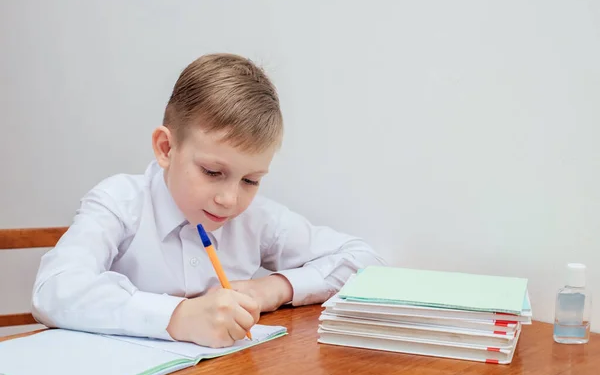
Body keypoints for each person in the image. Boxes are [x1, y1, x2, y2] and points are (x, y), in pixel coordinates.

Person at [32, 53, 385, 348]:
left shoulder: (255, 218)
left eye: (250, 180)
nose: (229, 199)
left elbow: (364, 261)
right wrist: (177, 317)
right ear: (166, 148)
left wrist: (271, 289)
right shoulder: (120, 201)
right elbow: (53, 290)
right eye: (212, 172)